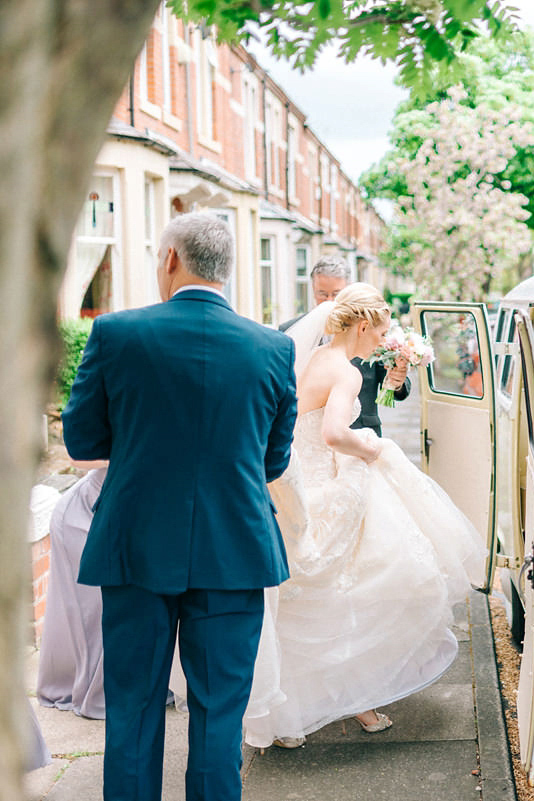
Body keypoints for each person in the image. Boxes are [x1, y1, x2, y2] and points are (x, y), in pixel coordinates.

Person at [62, 211, 297, 801]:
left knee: (134, 708)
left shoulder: (115, 334)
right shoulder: (273, 348)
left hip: (135, 547)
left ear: (170, 259)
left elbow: (82, 442)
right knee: (220, 715)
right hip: (234, 550)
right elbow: (273, 461)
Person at [243, 283, 484, 750]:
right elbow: (334, 433)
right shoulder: (346, 373)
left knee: (300, 600)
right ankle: (359, 700)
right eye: (380, 332)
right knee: (358, 587)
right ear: (361, 325)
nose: (380, 341)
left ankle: (288, 716)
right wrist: (369, 449)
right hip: (328, 482)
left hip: (295, 481)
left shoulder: (313, 359)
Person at [279, 255, 409, 436]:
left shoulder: (373, 328)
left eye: (336, 294)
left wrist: (397, 381)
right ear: (313, 289)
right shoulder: (290, 331)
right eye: (322, 294)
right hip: (311, 439)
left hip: (361, 431)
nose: (329, 301)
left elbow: (393, 382)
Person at [37, 464, 108, 719]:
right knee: (93, 611)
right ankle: (95, 688)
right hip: (83, 515)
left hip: (138, 505)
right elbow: (81, 455)